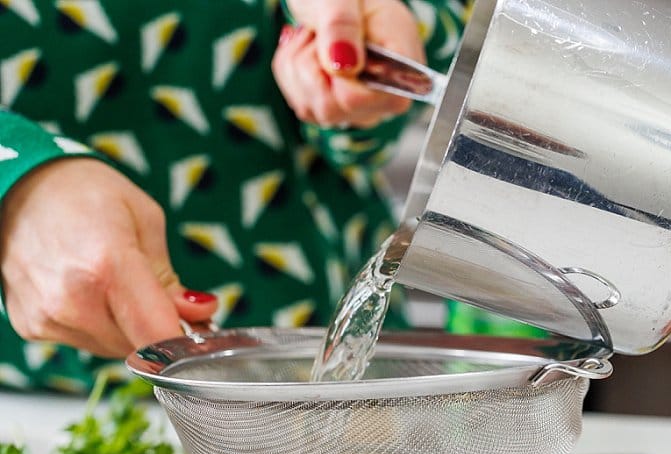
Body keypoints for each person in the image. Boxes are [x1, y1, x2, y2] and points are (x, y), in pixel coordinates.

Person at [0, 0, 471, 393]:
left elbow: (441, 25)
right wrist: (15, 174)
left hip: (345, 376)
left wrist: (380, 37)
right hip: (28, 405)